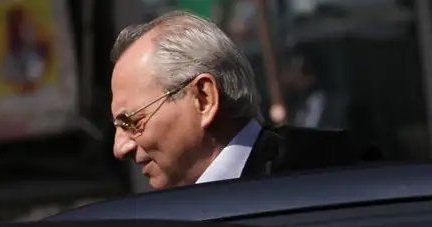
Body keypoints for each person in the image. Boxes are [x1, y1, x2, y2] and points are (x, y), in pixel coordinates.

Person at [109, 10, 370, 190]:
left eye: (131, 121)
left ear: (203, 99)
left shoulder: (331, 177)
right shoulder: (165, 221)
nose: (120, 148)